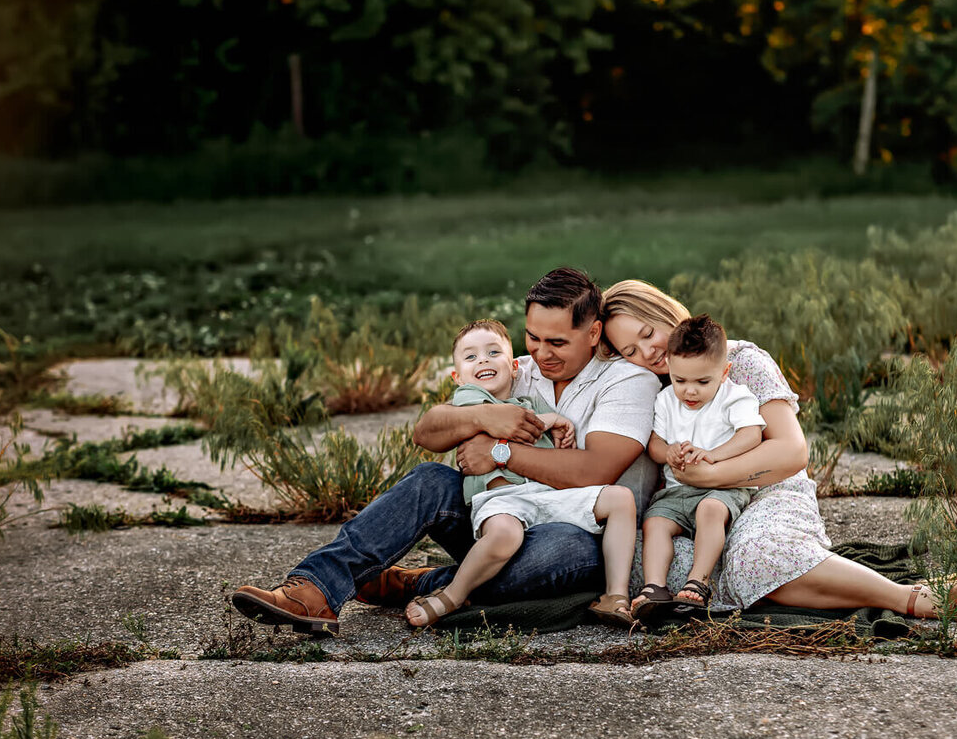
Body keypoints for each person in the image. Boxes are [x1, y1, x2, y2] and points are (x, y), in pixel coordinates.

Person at [231, 268, 660, 636]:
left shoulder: (626, 381)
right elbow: (428, 430)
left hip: (585, 533)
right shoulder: (518, 369)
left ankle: (429, 584)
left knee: (561, 548)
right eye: (532, 337)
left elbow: (596, 469)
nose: (541, 353)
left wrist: (499, 453)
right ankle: (314, 590)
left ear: (593, 332)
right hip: (501, 515)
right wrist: (482, 419)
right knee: (429, 480)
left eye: (557, 343)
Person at [599, 279, 957, 622]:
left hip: (766, 488)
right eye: (630, 350)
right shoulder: (653, 390)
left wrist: (711, 474)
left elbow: (790, 452)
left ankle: (909, 598)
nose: (648, 352)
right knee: (645, 564)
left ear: (667, 312)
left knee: (754, 558)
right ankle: (743, 579)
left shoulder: (740, 361)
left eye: (649, 333)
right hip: (688, 502)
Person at [403, 318, 637, 628]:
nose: (483, 360)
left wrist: (554, 426)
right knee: (504, 535)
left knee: (620, 499)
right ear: (457, 377)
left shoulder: (529, 401)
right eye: (471, 357)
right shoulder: (469, 402)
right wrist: (551, 420)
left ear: (515, 367)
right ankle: (452, 595)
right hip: (501, 499)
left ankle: (616, 596)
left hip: (546, 495)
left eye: (493, 352)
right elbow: (512, 423)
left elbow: (535, 429)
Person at [634, 314, 765, 620]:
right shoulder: (667, 400)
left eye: (702, 382)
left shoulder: (735, 396)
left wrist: (713, 455)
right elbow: (655, 444)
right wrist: (670, 453)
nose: (689, 391)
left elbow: (751, 434)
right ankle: (654, 588)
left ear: (724, 372)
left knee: (710, 511)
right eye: (681, 380)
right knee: (655, 523)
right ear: (669, 368)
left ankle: (698, 581)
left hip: (722, 489)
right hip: (678, 492)